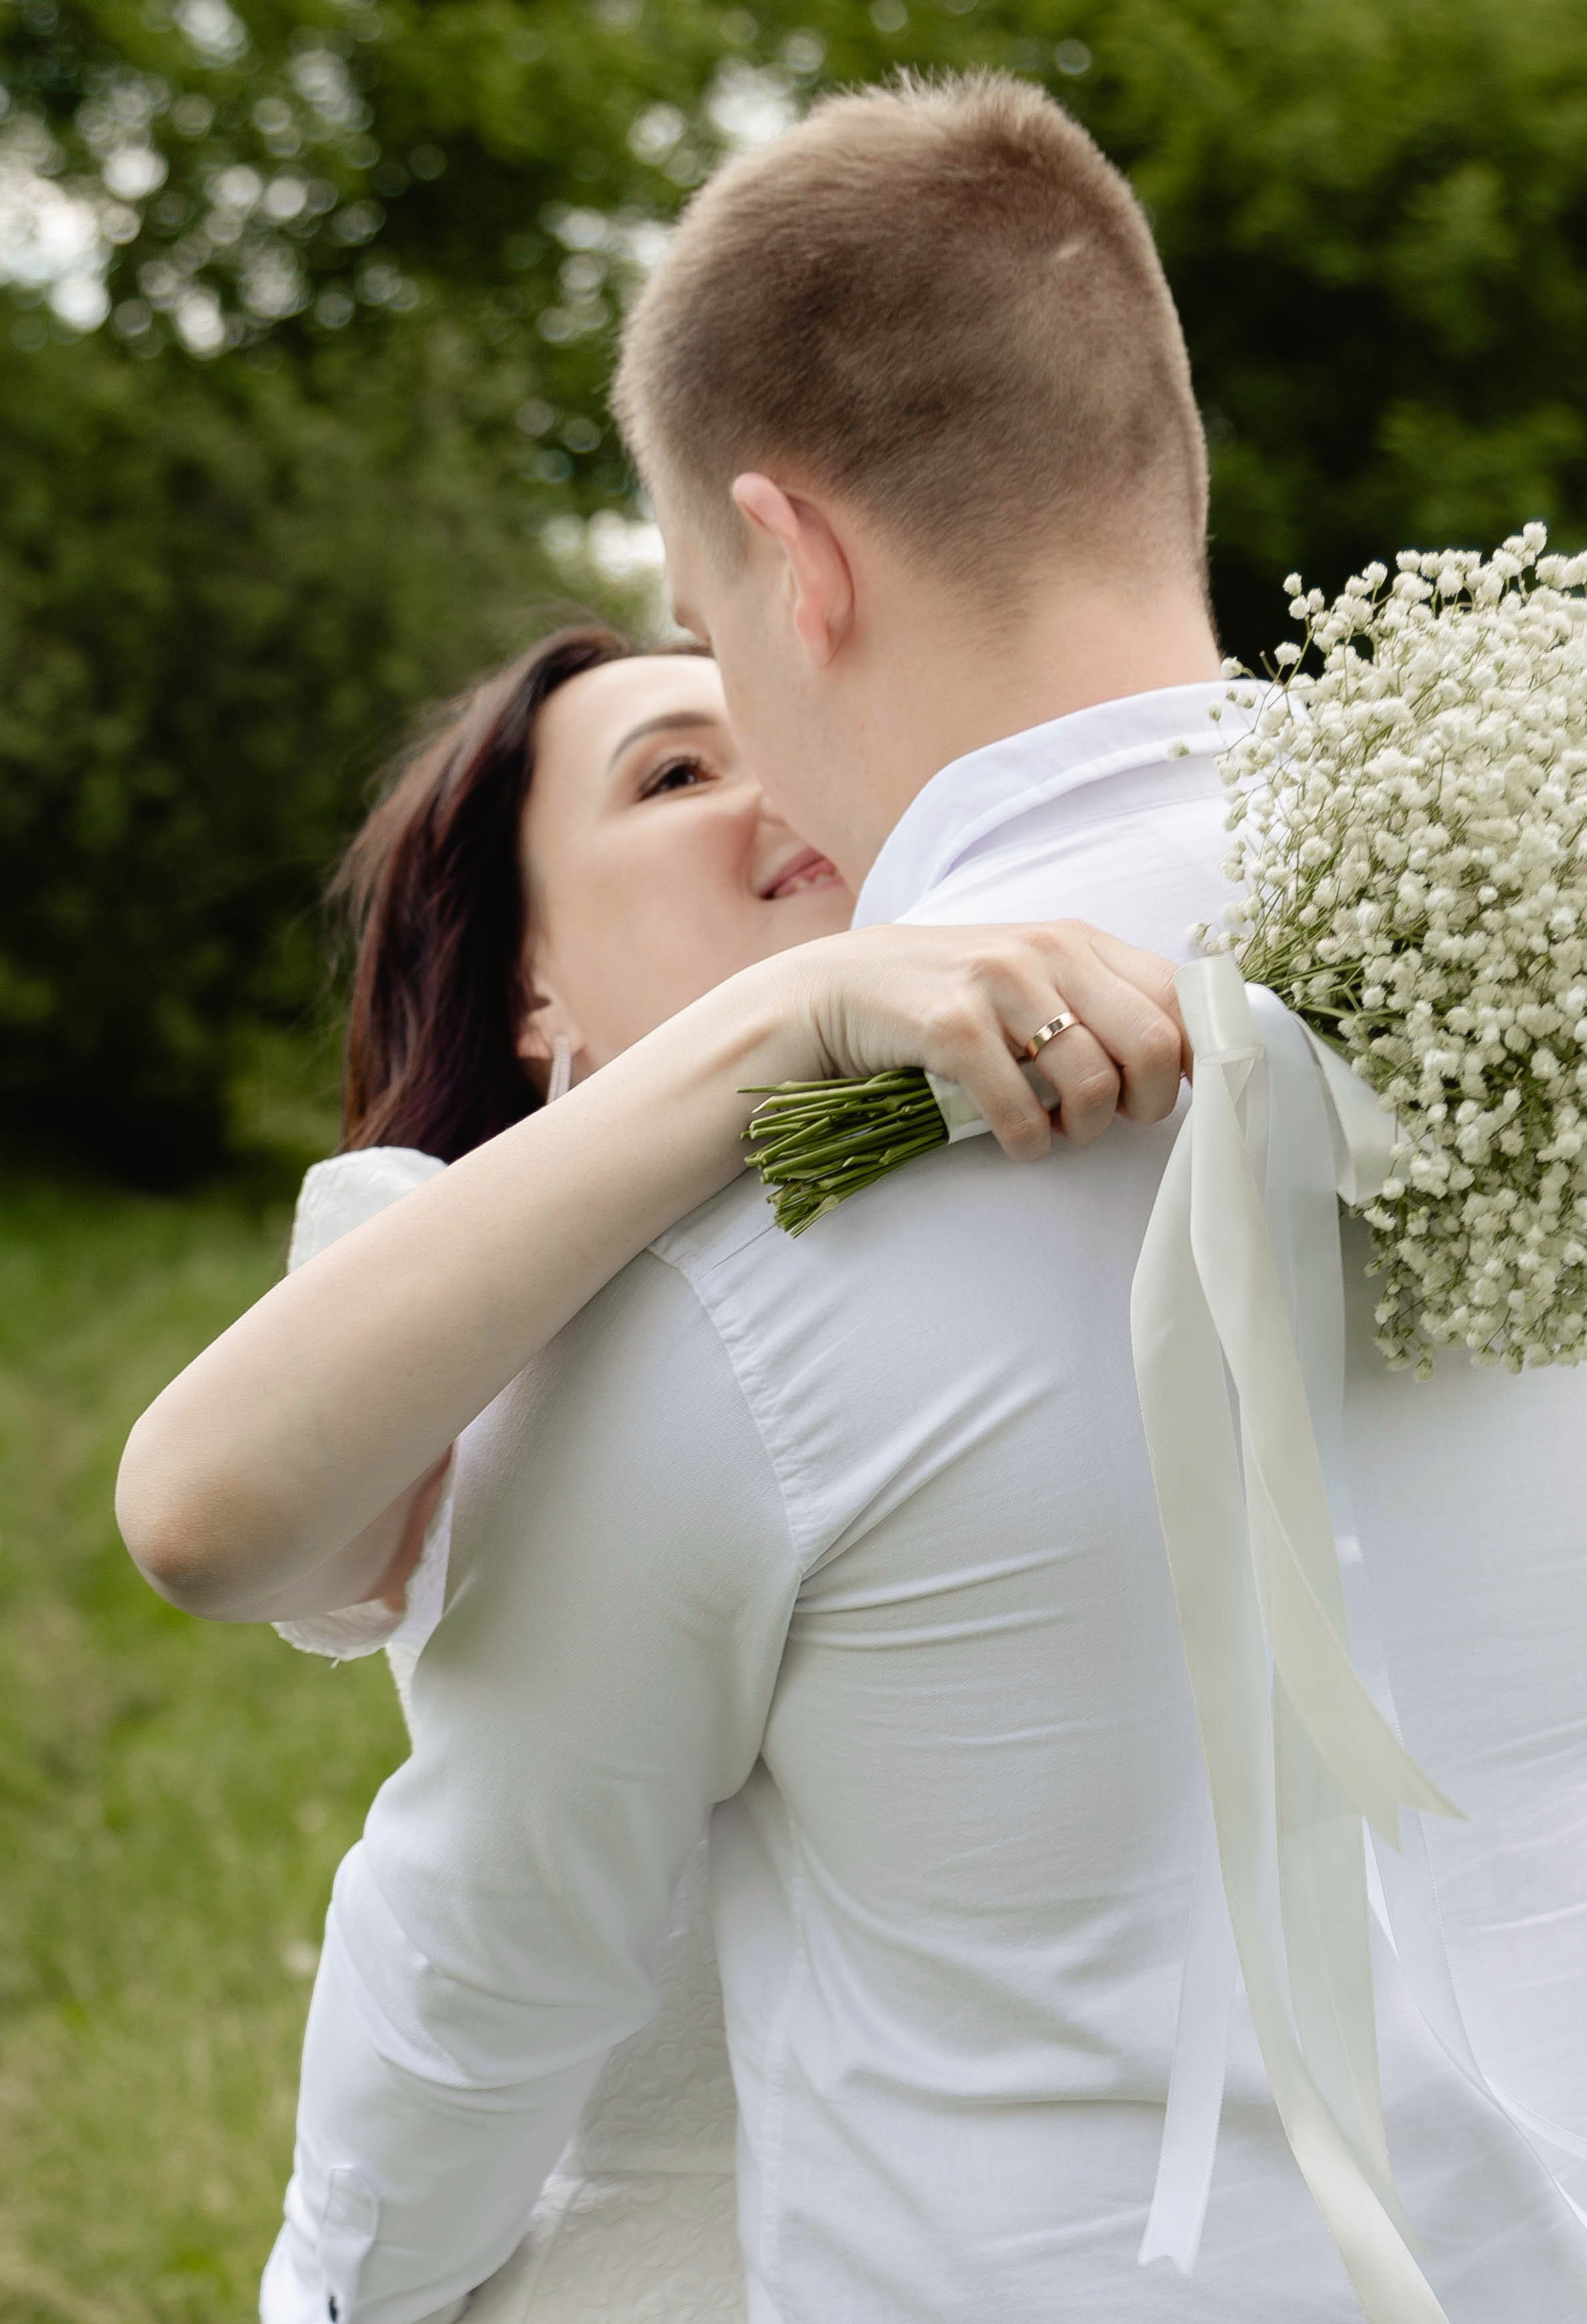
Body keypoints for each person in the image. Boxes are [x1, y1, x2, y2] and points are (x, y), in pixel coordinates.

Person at [128, 73, 1587, 2324]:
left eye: (719, 649)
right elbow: (226, 1511)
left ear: (790, 560)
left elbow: (480, 1959)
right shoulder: (1511, 921)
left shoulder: (747, 1262)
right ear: (1162, 455)